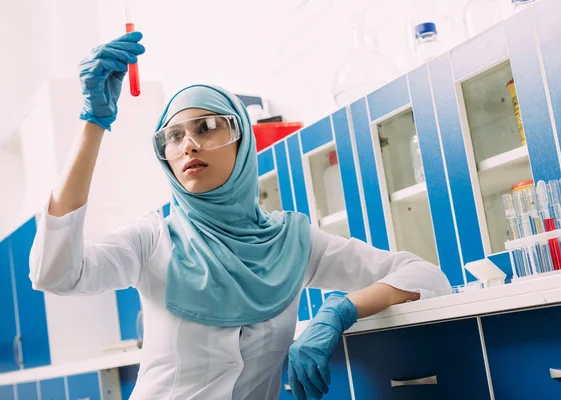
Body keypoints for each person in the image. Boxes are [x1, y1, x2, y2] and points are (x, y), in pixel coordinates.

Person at [29, 31, 451, 400]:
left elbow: (424, 276)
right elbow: (55, 272)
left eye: (207, 126)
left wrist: (339, 310)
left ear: (242, 142)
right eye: (173, 137)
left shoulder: (292, 244)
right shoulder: (153, 238)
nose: (188, 145)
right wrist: (93, 124)